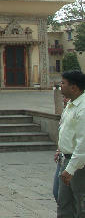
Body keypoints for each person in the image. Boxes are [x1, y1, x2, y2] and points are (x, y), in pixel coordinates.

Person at [56, 70, 85, 218]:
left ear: (74, 87)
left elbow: (83, 142)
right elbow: (66, 129)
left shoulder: (83, 107)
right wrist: (60, 149)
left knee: (80, 203)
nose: (60, 86)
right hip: (65, 158)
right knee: (63, 201)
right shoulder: (71, 104)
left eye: (63, 83)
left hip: (78, 162)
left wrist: (71, 168)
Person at [53, 93, 70, 201]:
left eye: (66, 97)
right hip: (62, 157)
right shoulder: (67, 111)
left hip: (73, 159)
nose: (63, 100)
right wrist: (59, 149)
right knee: (57, 192)